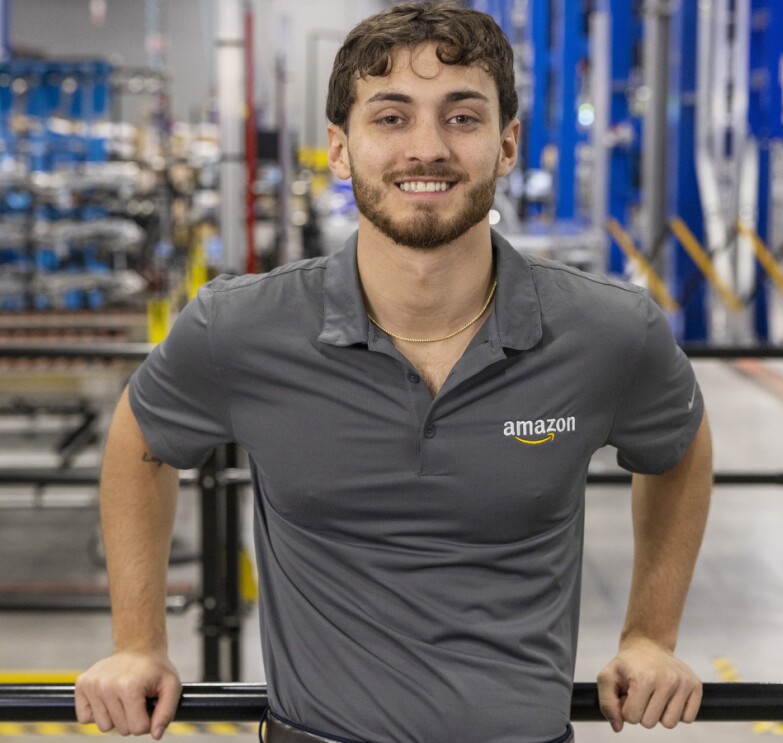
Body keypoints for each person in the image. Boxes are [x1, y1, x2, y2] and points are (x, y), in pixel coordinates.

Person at [75, 2, 712, 741]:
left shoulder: (609, 332)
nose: (428, 148)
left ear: (507, 145)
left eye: (463, 118)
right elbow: (140, 440)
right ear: (341, 150)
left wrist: (649, 634)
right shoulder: (241, 328)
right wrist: (138, 641)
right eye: (391, 118)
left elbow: (679, 449)